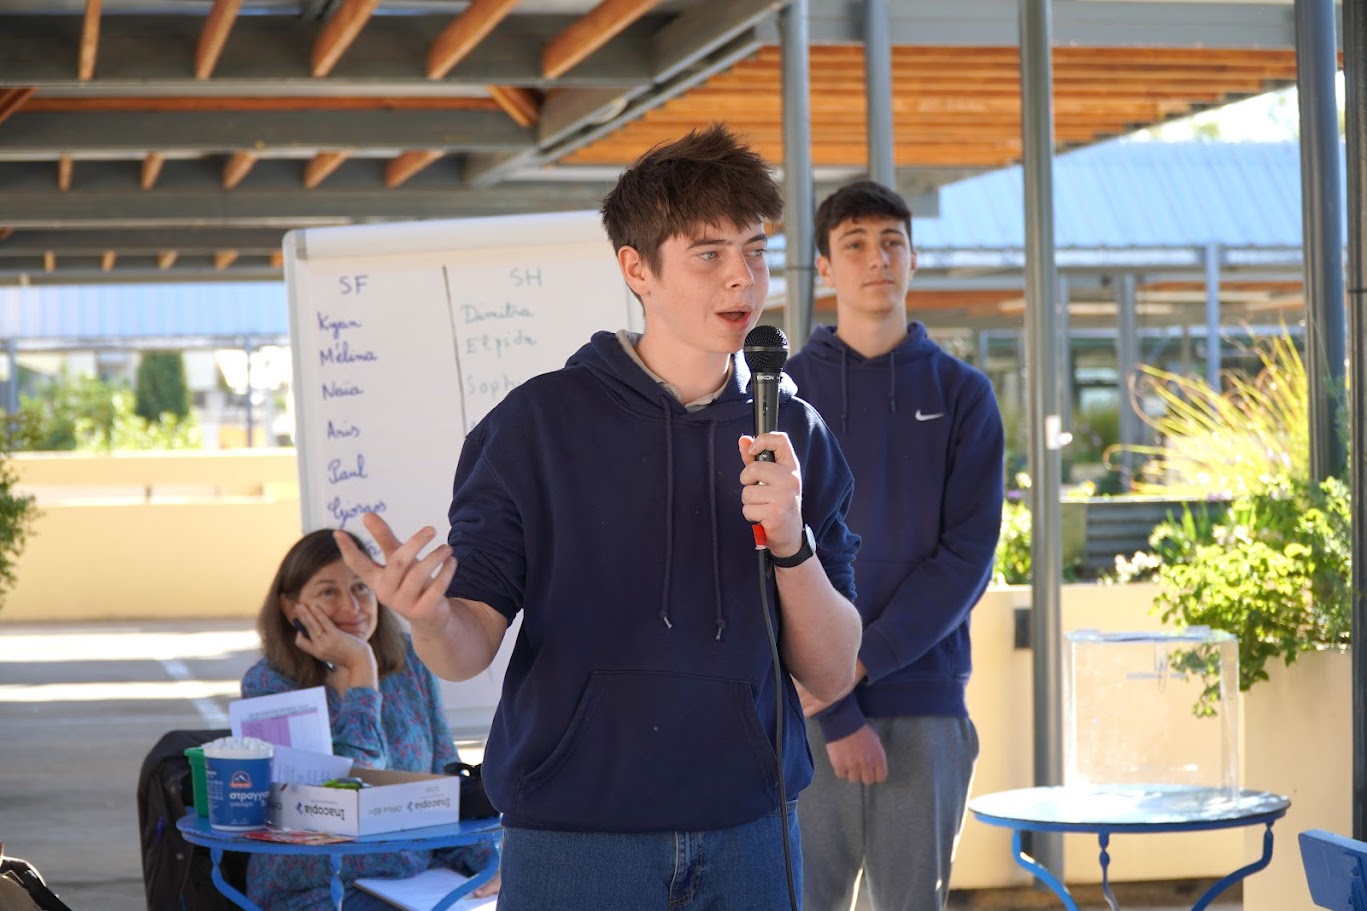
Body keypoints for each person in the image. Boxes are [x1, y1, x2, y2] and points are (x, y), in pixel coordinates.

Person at [335, 124, 865, 910]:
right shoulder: (534, 426)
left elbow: (829, 670)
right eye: (708, 254)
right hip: (575, 839)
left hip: (751, 831)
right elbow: (466, 645)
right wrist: (428, 617)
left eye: (754, 250)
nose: (741, 281)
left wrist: (791, 542)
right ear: (635, 268)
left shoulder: (793, 431)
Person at [785, 179, 1005, 911]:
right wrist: (833, 703)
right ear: (823, 267)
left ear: (912, 258)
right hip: (802, 710)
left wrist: (854, 664)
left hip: (925, 702)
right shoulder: (781, 395)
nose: (875, 258)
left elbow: (966, 558)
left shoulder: (964, 393)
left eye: (890, 242)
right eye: (854, 244)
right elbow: (766, 558)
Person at [240, 528, 500, 911]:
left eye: (361, 588)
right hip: (314, 886)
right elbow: (345, 800)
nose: (352, 607)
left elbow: (442, 788)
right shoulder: (268, 685)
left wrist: (489, 864)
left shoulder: (410, 663)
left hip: (412, 878)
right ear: (290, 607)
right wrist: (361, 671)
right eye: (328, 592)